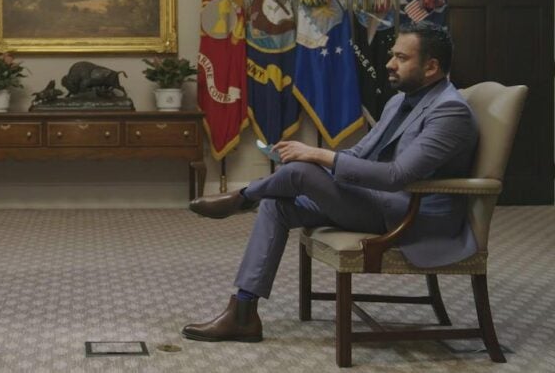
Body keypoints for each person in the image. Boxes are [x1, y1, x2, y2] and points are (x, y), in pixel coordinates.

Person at [182, 22, 478, 343]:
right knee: (277, 204)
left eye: (401, 58)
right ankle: (243, 314)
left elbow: (397, 176)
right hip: (376, 201)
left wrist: (317, 156)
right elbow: (360, 153)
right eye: (393, 55)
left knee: (301, 172)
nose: (389, 63)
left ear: (431, 67)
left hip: (411, 215)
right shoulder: (400, 101)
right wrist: (312, 156)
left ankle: (242, 197)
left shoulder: (450, 111)